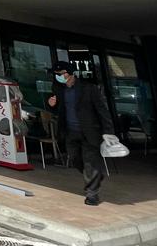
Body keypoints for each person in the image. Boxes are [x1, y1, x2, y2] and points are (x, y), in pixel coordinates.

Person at [47, 61, 116, 206]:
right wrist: (52, 105)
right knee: (75, 159)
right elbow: (60, 110)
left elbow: (102, 111)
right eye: (56, 74)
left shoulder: (88, 89)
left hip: (89, 132)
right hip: (70, 132)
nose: (58, 77)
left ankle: (92, 195)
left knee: (90, 161)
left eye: (60, 74)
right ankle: (95, 176)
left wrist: (108, 132)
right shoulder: (58, 89)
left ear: (70, 73)